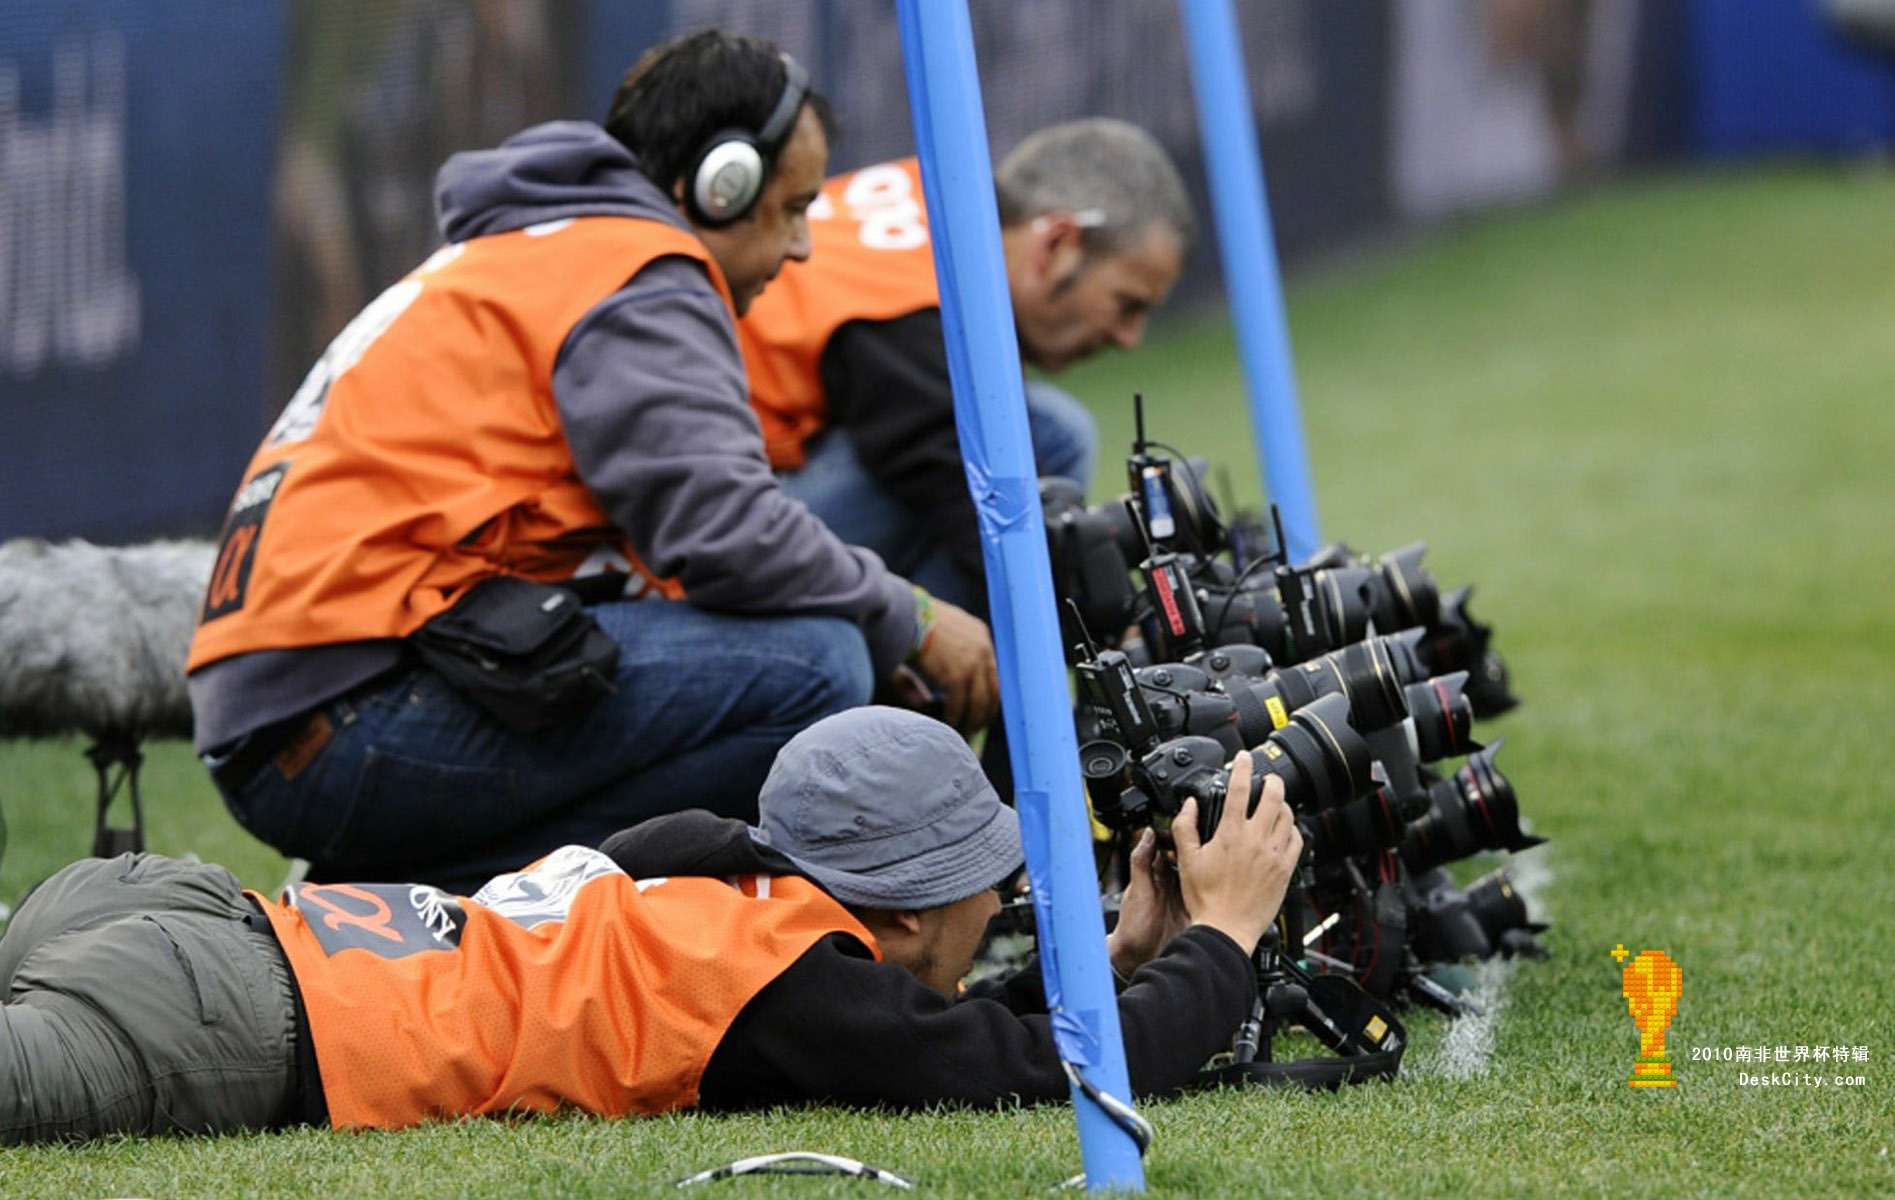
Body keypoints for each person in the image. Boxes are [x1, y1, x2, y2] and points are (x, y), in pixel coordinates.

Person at [185, 30, 998, 894]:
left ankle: (401, 887)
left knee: (815, 651)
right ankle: (421, 900)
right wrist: (906, 613)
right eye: (793, 210)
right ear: (720, 188)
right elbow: (723, 532)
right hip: (345, 714)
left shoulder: (551, 252)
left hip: (305, 710)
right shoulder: (641, 270)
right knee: (816, 664)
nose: (802, 248)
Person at [0, 706, 1301, 1142]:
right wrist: (1223, 941)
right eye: (989, 885)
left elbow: (900, 1024)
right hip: (222, 1020)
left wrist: (1127, 959)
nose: (1002, 905)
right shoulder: (786, 987)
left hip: (174, 908)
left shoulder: (700, 857)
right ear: (906, 907)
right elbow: (1035, 1076)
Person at [736, 119, 1193, 615]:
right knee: (1030, 442)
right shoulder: (909, 310)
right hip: (712, 543)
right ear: (1057, 244)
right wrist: (1116, 626)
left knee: (1038, 433)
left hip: (737, 478)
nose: (1130, 339)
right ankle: (924, 687)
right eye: (1128, 305)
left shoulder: (933, 198)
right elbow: (992, 531)